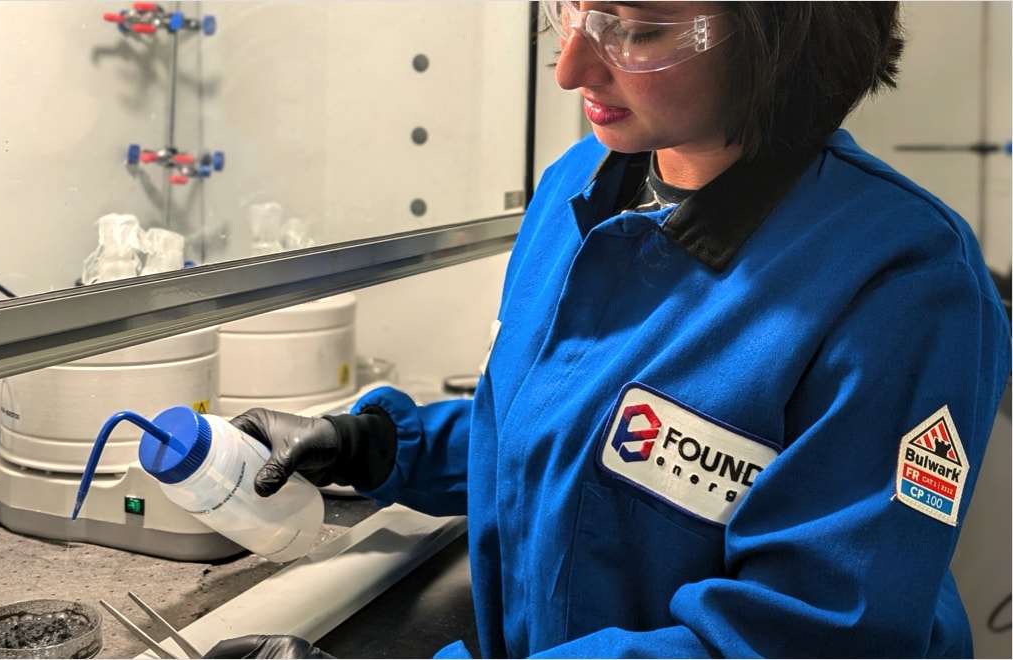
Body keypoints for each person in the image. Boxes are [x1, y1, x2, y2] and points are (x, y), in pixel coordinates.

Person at [209, 2, 1012, 658]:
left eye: (638, 29)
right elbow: (575, 431)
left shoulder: (900, 282)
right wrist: (373, 446)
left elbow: (803, 636)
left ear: (785, 31)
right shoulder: (579, 186)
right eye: (574, 14)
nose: (572, 71)